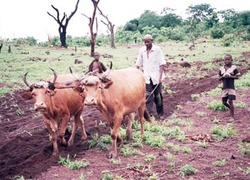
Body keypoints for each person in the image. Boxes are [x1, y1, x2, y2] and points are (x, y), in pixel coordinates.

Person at [135, 34, 166, 120]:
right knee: (148, 97)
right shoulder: (142, 50)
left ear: (152, 41)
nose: (146, 44)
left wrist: (160, 78)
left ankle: (160, 114)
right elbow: (138, 63)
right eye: (145, 42)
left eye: (148, 42)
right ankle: (149, 115)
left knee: (158, 96)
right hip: (147, 77)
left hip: (156, 77)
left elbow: (162, 64)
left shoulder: (157, 49)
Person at [219, 54, 240, 121]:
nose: (227, 61)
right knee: (224, 102)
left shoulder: (233, 68)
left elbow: (237, 76)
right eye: (226, 59)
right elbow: (219, 78)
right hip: (224, 87)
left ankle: (232, 116)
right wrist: (223, 77)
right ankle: (231, 109)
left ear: (231, 60)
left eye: (229, 59)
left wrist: (230, 76)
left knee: (230, 101)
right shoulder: (222, 69)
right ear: (224, 60)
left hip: (231, 87)